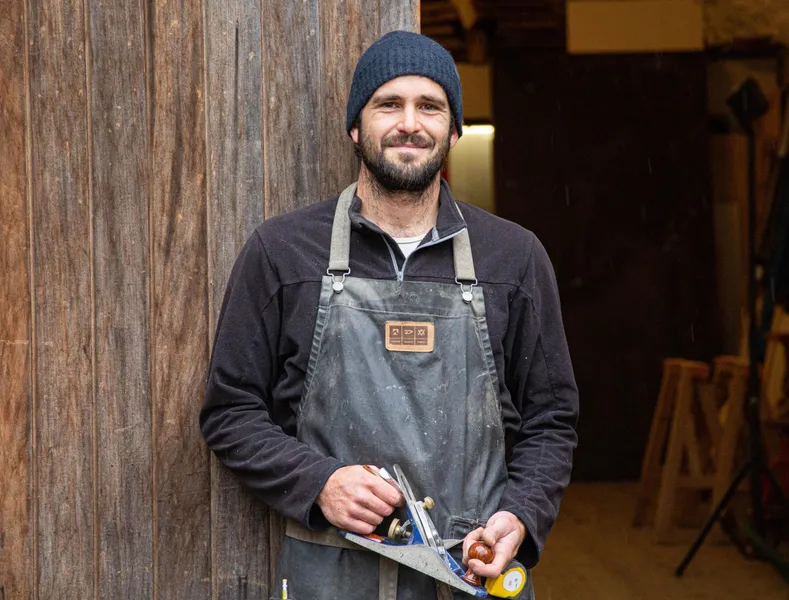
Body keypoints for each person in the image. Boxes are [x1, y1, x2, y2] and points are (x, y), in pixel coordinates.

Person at [200, 30, 579, 600]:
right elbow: (229, 411)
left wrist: (521, 515)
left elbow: (552, 419)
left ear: (453, 130)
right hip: (327, 577)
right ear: (356, 126)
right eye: (388, 104)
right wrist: (318, 482)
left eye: (430, 106)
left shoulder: (514, 258)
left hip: (470, 575)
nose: (409, 123)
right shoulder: (282, 253)